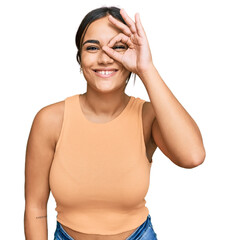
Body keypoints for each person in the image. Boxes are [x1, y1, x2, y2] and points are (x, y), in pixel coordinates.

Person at [24, 6, 206, 240]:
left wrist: (146, 68)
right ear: (80, 58)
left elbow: (193, 156)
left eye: (117, 47)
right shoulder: (49, 120)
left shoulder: (148, 116)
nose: (104, 57)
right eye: (92, 47)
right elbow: (35, 208)